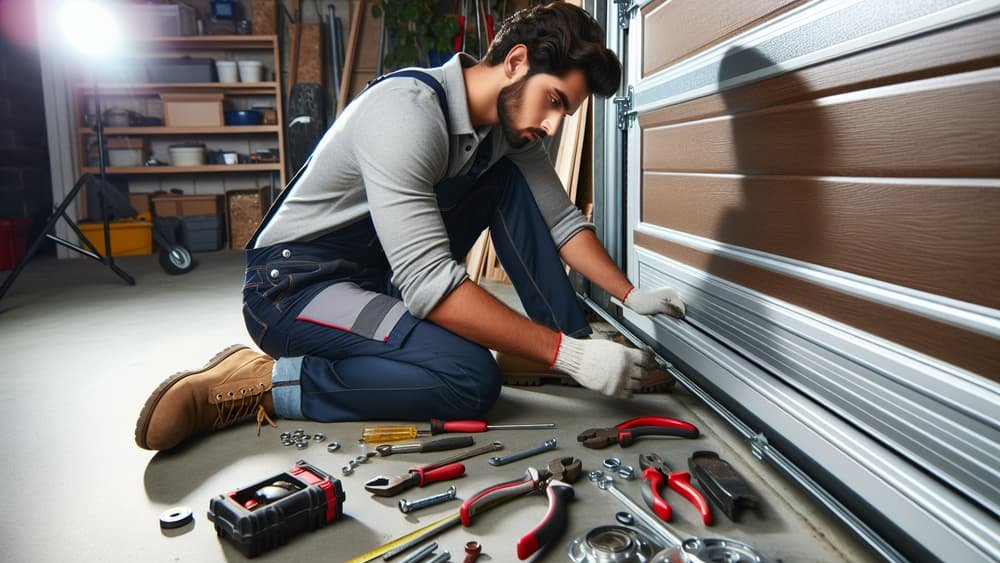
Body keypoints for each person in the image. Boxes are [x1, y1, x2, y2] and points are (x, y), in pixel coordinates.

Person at [134, 1, 685, 452]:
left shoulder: (507, 132)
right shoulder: (408, 112)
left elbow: (562, 222)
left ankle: (564, 343)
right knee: (469, 379)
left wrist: (631, 296)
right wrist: (566, 357)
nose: (553, 123)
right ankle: (260, 381)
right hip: (297, 287)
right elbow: (428, 285)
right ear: (516, 61)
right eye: (554, 101)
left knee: (507, 182)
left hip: (374, 277)